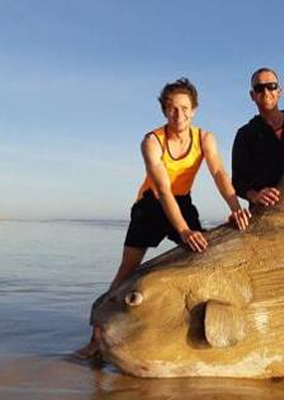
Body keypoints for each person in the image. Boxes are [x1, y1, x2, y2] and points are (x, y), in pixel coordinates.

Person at [74, 78, 251, 359]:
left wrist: (235, 206)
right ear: (164, 111)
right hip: (151, 205)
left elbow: (219, 174)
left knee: (202, 255)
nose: (178, 114)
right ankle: (97, 337)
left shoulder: (205, 138)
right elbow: (163, 189)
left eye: (184, 108)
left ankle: (186, 328)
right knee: (128, 269)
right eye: (171, 108)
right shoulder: (152, 141)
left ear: (194, 110)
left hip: (182, 201)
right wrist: (183, 231)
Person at [232, 68, 284, 207]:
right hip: (267, 214)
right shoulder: (245, 134)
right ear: (252, 95)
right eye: (259, 88)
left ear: (279, 92)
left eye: (271, 86)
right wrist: (255, 196)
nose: (266, 92)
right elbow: (238, 182)